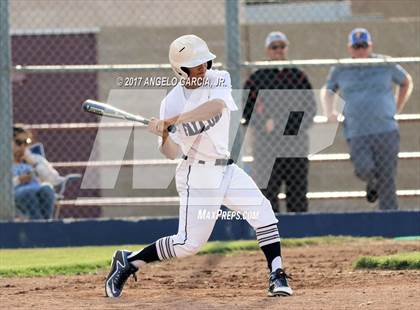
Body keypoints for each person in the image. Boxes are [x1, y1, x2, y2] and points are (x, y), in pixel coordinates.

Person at [105, 34, 293, 298]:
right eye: (195, 65)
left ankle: (277, 274)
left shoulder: (219, 78)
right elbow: (170, 154)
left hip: (226, 168)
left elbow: (215, 107)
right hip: (198, 174)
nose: (202, 68)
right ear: (180, 70)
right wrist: (164, 134)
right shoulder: (171, 102)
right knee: (187, 244)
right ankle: (129, 261)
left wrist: (173, 120)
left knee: (263, 212)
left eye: (205, 62)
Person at [324, 28, 413, 210]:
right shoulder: (341, 68)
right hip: (357, 131)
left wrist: (397, 107)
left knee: (387, 178)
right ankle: (371, 182)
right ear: (350, 48)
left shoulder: (384, 64)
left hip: (386, 129)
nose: (360, 50)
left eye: (364, 46)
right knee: (363, 168)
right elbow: (328, 91)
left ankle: (390, 223)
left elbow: (405, 81)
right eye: (356, 46)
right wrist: (329, 112)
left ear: (370, 46)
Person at [242, 31, 316, 213]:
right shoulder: (257, 77)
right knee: (268, 193)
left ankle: (299, 234)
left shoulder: (297, 76)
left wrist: (291, 126)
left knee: (297, 193)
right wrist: (262, 123)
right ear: (267, 50)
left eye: (282, 46)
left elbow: (310, 107)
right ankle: (272, 235)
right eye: (274, 47)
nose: (279, 50)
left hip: (295, 145)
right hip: (266, 147)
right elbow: (245, 108)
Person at [12, 125, 63, 219]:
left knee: (47, 189)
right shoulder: (3, 163)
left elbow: (55, 180)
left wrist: (35, 165)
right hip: (15, 194)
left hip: (38, 189)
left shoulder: (35, 159)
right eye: (19, 142)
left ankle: (43, 223)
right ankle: (42, 226)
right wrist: (18, 180)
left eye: (26, 142)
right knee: (28, 192)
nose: (23, 146)